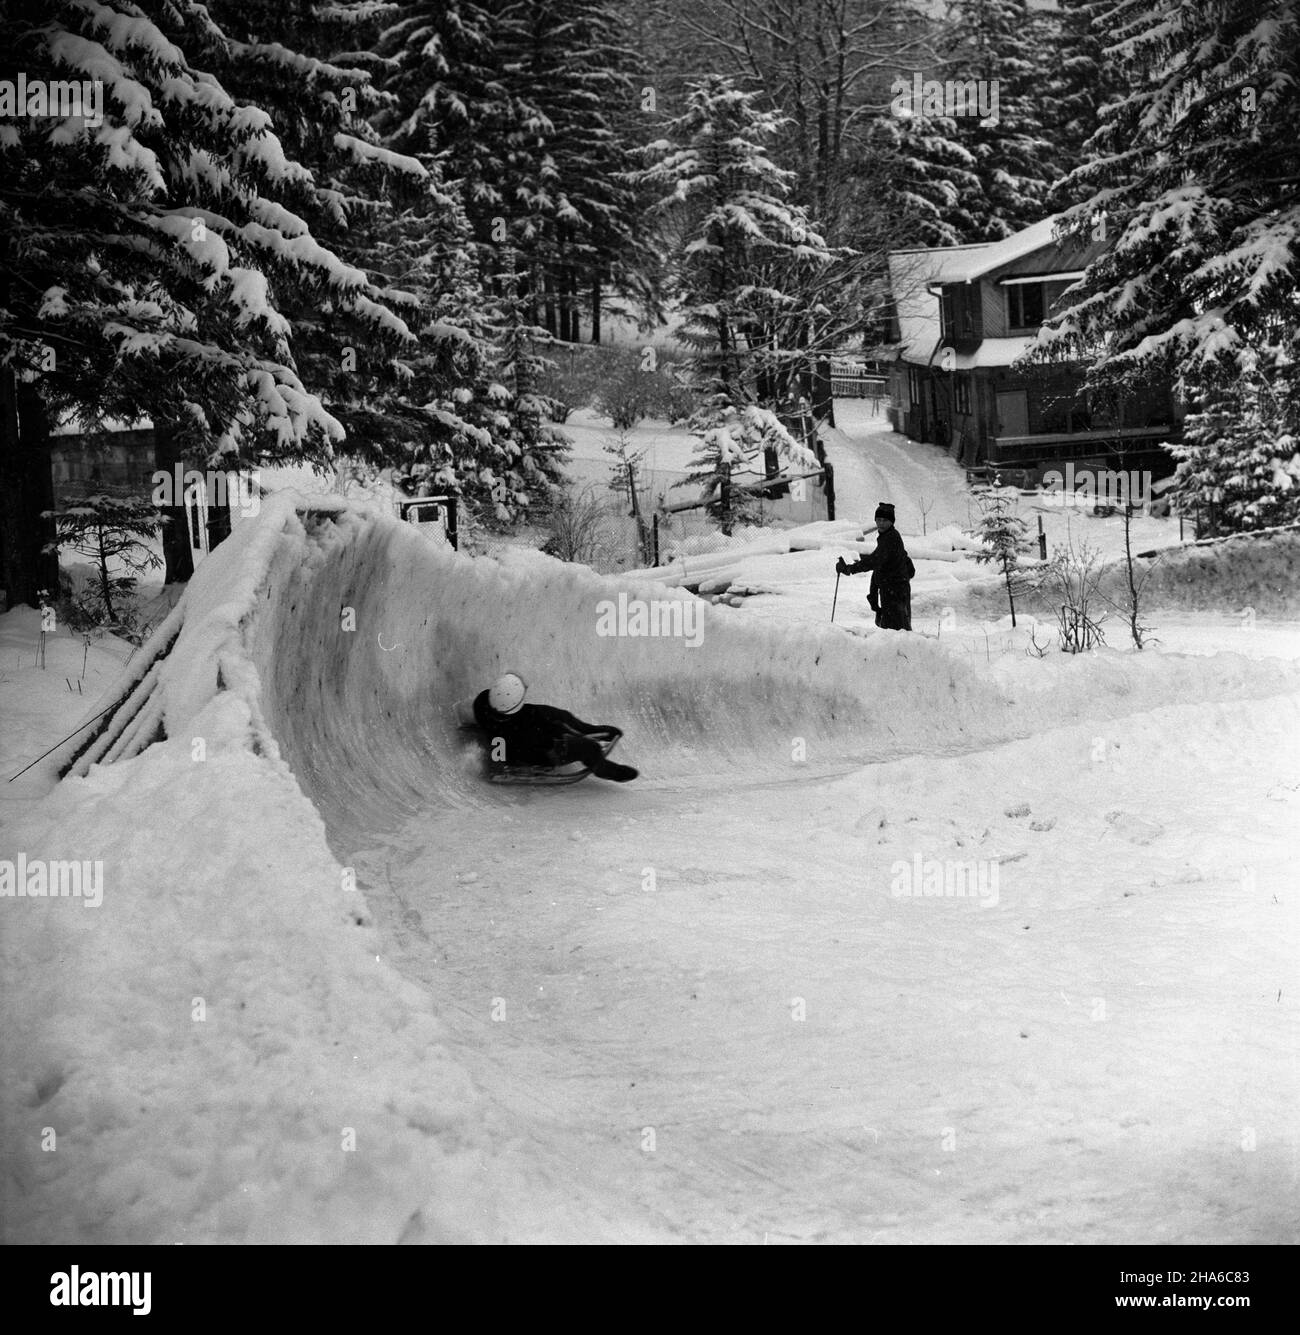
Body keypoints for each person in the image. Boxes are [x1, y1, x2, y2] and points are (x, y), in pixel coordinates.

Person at [472, 673, 638, 782]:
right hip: (539, 753)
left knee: (555, 720)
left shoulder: (481, 704)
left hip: (509, 746)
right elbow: (556, 736)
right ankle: (601, 764)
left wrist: (498, 763)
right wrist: (586, 734)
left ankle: (592, 732)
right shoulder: (533, 720)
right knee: (588, 746)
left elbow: (498, 745)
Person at [835, 502, 914, 631]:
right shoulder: (887, 536)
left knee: (896, 631)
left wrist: (850, 569)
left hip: (895, 591)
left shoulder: (891, 538)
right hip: (894, 589)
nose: (881, 523)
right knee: (896, 629)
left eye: (884, 520)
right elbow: (902, 560)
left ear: (891, 522)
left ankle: (903, 650)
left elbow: (874, 560)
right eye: (878, 520)